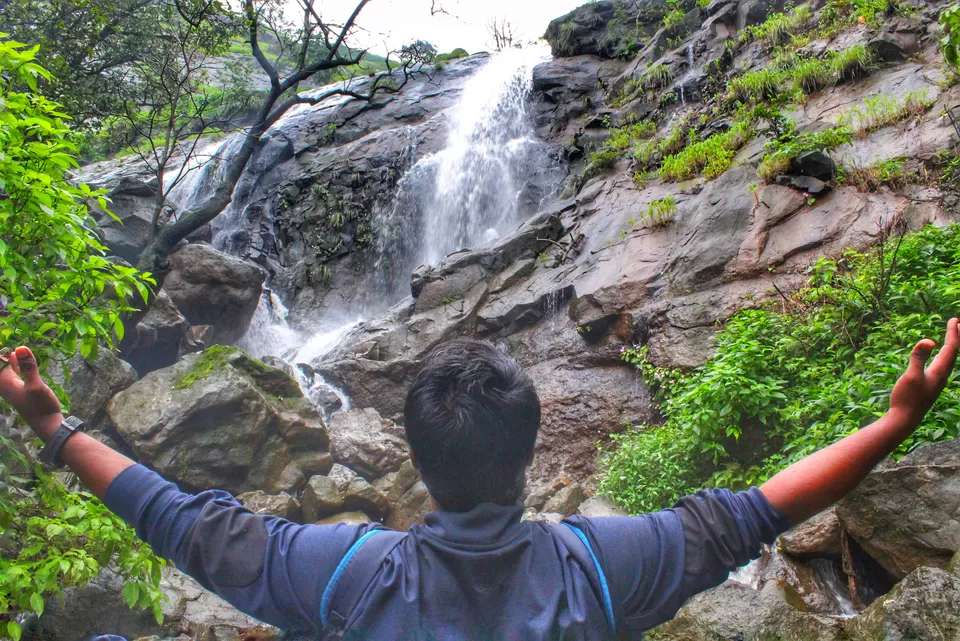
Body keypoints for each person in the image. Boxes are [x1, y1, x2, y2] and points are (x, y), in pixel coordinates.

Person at [1, 319, 957, 640]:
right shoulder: (601, 565)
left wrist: (56, 425)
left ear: (412, 459)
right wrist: (893, 422)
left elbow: (183, 523)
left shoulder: (343, 575)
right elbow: (755, 512)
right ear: (531, 451)